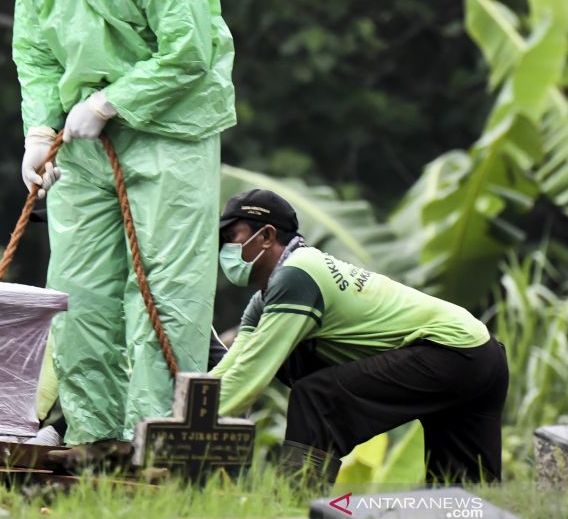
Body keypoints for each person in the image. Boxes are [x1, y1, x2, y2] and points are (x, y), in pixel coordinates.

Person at [11, 0, 236, 448]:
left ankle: (157, 438)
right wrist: (40, 128)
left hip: (170, 134)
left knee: (164, 291)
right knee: (79, 290)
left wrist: (114, 101)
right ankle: (92, 437)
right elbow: (33, 49)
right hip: (83, 146)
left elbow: (188, 52)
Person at [212, 189, 508, 484]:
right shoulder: (267, 298)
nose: (225, 248)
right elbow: (234, 366)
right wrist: (186, 412)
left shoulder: (298, 276)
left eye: (232, 237)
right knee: (463, 494)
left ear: (266, 235)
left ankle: (296, 505)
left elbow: (251, 374)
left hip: (451, 351)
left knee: (317, 399)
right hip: (480, 352)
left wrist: (180, 433)